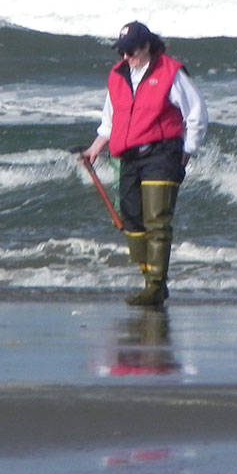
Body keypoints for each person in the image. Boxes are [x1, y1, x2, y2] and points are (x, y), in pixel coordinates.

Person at [81, 21, 208, 306]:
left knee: (157, 221)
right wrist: (95, 148)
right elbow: (110, 121)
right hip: (128, 156)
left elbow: (197, 114)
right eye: (122, 52)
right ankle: (152, 279)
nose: (126, 57)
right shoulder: (118, 75)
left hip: (162, 153)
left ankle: (154, 287)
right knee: (132, 222)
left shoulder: (170, 72)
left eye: (131, 51)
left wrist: (186, 151)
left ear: (147, 46)